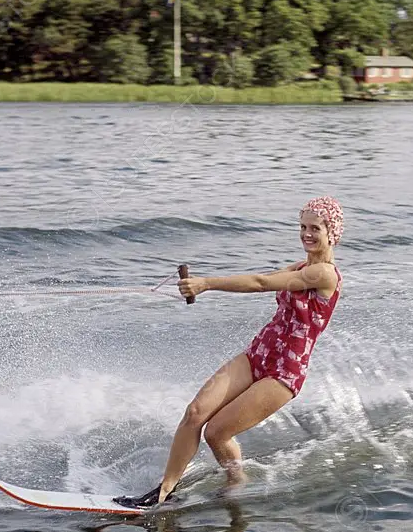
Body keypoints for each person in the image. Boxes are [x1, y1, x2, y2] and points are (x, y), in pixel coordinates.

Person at [114, 196, 344, 509]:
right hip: (258, 353)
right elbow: (263, 276)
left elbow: (262, 282)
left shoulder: (325, 275)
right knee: (196, 412)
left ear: (332, 232)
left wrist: (206, 284)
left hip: (284, 372)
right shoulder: (303, 266)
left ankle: (237, 482)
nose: (306, 233)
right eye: (302, 226)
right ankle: (164, 491)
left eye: (314, 228)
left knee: (217, 433)